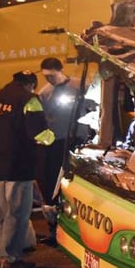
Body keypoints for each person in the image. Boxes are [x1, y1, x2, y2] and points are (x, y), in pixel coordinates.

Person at [0, 71, 54, 268]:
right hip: (18, 167)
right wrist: (52, 138)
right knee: (17, 213)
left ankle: (0, 257)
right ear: (30, 84)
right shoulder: (29, 99)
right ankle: (10, 259)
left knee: (1, 216)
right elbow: (38, 133)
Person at [35, 58, 93, 205]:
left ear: (60, 71)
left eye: (51, 76)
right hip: (58, 142)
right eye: (46, 77)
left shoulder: (80, 86)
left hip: (78, 139)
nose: (49, 79)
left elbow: (94, 106)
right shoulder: (45, 93)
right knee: (57, 176)